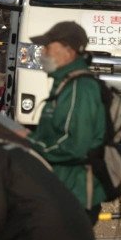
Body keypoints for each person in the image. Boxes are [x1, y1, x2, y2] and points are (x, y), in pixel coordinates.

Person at [28, 21, 106, 223]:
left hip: (73, 194)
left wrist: (30, 144)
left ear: (69, 51)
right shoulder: (64, 84)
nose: (43, 52)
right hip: (58, 189)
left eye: (48, 47)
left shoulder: (80, 87)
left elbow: (74, 144)